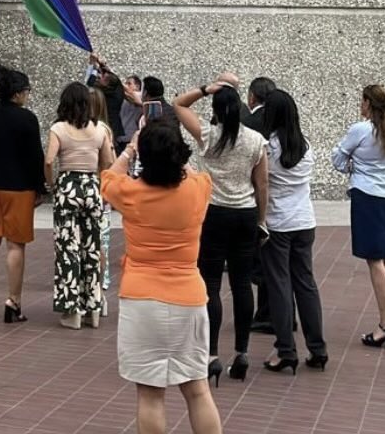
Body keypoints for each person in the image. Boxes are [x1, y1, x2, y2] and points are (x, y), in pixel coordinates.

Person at [101, 121, 222, 434]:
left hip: (142, 298)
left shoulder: (131, 194)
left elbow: (108, 178)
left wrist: (131, 148)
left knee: (150, 393)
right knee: (197, 388)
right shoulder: (198, 189)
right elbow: (195, 173)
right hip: (189, 296)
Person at [173, 76, 268, 384]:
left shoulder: (208, 135)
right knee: (242, 284)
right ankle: (241, 352)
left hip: (212, 213)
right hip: (244, 213)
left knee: (210, 283)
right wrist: (261, 220)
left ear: (215, 109)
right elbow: (262, 183)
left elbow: (177, 104)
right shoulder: (255, 140)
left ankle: (211, 354)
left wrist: (206, 88)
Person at [260, 90, 328, 372]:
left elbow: (261, 184)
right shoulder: (306, 146)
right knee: (306, 283)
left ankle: (285, 349)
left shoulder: (268, 148)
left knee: (279, 285)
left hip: (277, 223)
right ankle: (317, 348)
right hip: (304, 220)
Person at [0, 63, 44, 323]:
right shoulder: (27, 119)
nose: (27, 95)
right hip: (19, 189)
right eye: (26, 91)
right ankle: (13, 300)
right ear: (17, 93)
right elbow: (35, 157)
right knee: (15, 246)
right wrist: (39, 188)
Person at [45, 82, 113, 329]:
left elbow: (50, 160)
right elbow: (108, 161)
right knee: (92, 249)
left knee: (67, 249)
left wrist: (52, 184)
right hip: (91, 187)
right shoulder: (99, 130)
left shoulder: (58, 128)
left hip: (67, 186)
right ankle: (92, 309)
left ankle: (72, 311)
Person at [331, 84, 385, 347]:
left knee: (374, 260)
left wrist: (354, 168)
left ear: (368, 103)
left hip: (367, 196)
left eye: (362, 101)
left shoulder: (361, 130)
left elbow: (338, 159)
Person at [240, 76, 279, 334]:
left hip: (257, 196)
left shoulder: (250, 122)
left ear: (252, 96)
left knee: (263, 262)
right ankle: (281, 312)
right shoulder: (281, 122)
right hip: (285, 202)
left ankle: (267, 314)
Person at [89, 87, 115, 295]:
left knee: (94, 235)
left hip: (93, 183)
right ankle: (102, 275)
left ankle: (98, 275)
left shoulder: (91, 128)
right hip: (101, 185)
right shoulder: (105, 128)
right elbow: (109, 162)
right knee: (102, 236)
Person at [86, 53, 125, 144]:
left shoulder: (108, 96)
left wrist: (93, 65)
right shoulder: (116, 87)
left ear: (107, 86)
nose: (99, 77)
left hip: (108, 127)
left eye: (102, 77)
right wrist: (101, 63)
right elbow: (110, 74)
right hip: (112, 127)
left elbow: (89, 83)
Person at [118, 74, 143, 154]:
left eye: (129, 83)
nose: (126, 86)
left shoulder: (140, 96)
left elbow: (131, 95)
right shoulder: (124, 97)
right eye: (126, 83)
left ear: (137, 86)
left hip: (131, 140)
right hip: (119, 139)